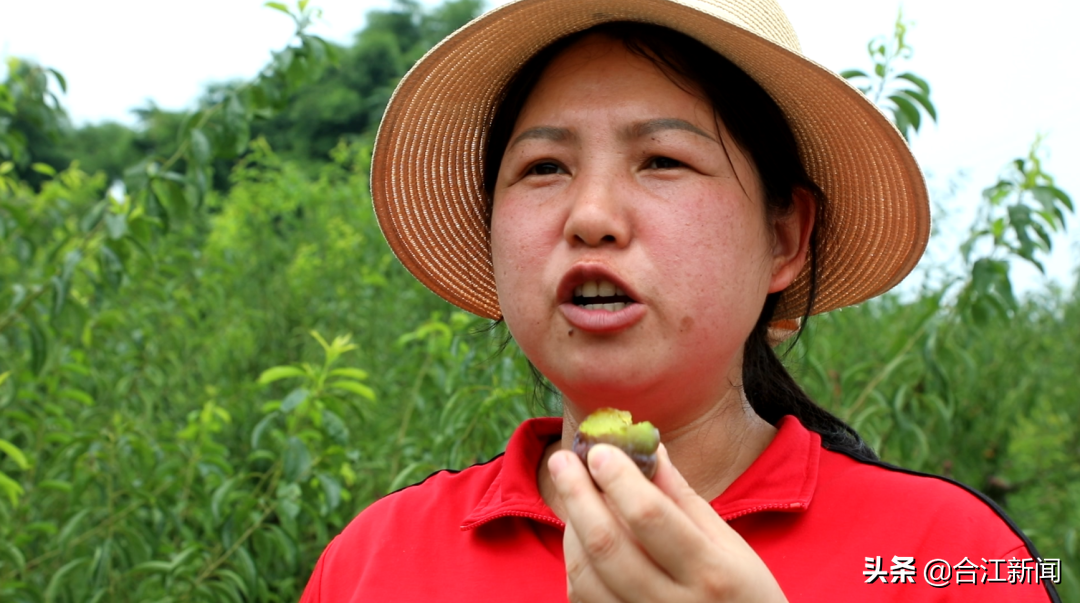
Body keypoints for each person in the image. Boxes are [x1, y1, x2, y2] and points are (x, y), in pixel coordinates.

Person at [299, 0, 1059, 601]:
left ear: (786, 236)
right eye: (543, 167)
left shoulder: (953, 556)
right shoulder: (372, 562)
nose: (590, 215)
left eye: (662, 159)